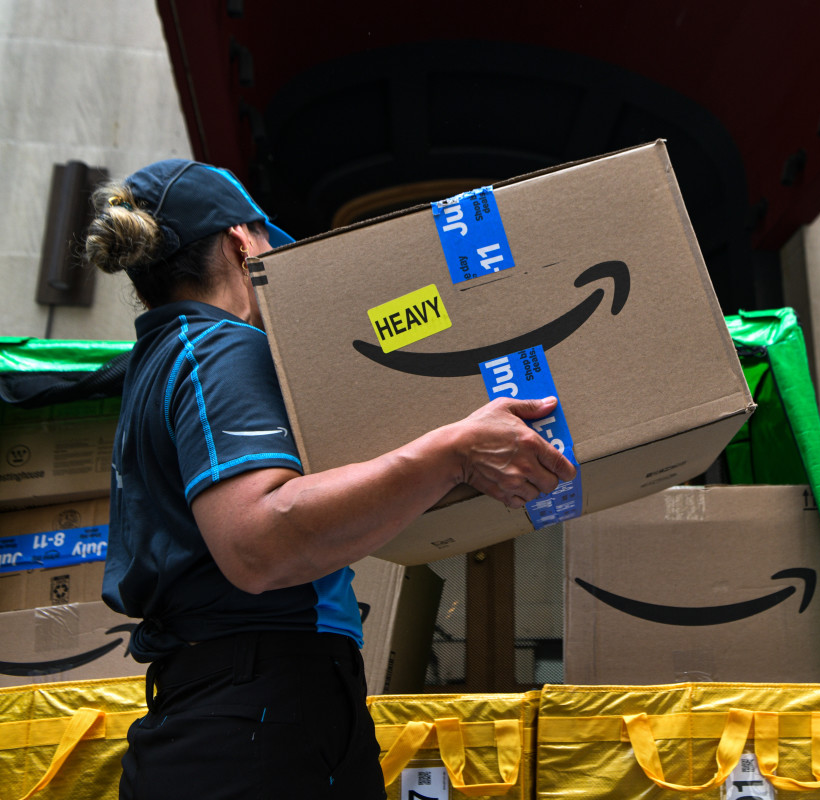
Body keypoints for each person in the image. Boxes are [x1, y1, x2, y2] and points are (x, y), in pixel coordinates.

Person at [85, 158, 575, 799]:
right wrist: (452, 453)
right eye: (268, 240)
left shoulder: (158, 361)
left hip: (225, 707)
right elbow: (257, 543)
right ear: (240, 243)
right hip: (260, 714)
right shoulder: (220, 348)